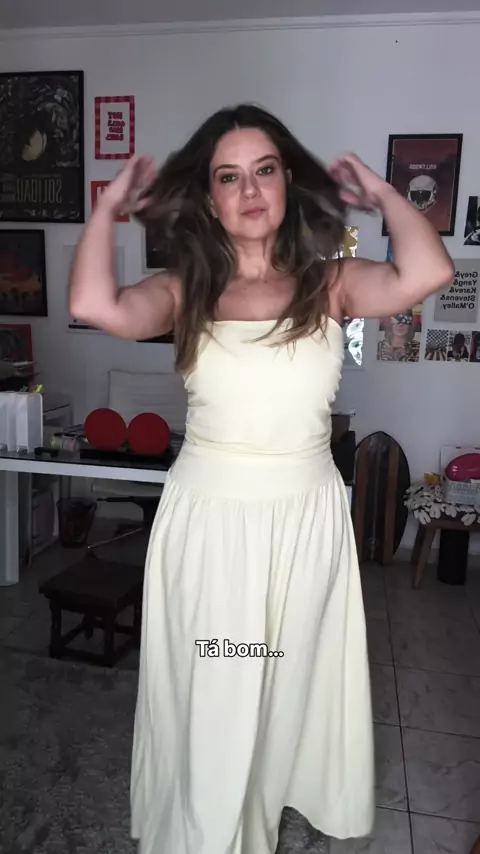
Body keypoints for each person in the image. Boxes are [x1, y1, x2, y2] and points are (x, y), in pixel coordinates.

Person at [69, 104, 454, 854]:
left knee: (282, 685)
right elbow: (91, 304)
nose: (249, 189)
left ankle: (261, 814)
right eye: (229, 176)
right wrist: (107, 210)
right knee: (218, 686)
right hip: (212, 524)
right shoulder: (184, 290)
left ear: (287, 183)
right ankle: (209, 832)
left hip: (305, 520)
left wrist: (383, 192)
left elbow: (429, 271)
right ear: (210, 197)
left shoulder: (330, 284)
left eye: (265, 170)